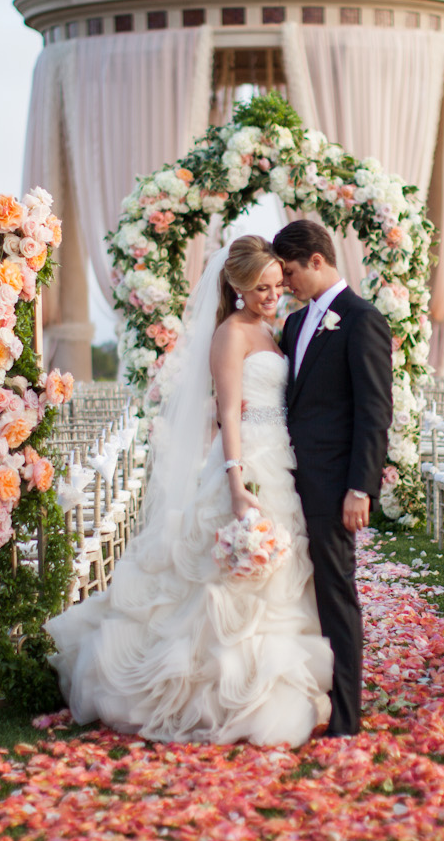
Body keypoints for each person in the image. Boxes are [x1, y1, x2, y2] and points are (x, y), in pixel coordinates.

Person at [45, 236, 332, 747]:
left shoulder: (273, 330)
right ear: (238, 289)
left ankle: (280, 679)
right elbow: (226, 414)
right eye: (261, 289)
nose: (273, 295)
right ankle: (222, 690)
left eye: (275, 286)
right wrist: (237, 485)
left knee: (280, 577)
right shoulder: (231, 334)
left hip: (281, 457)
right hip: (245, 464)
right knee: (226, 584)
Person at [273, 219, 393, 738]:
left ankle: (346, 715)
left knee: (335, 593)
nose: (286, 284)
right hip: (287, 480)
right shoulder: (295, 325)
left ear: (317, 260)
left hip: (333, 485)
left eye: (291, 272)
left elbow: (374, 411)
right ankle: (309, 699)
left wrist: (360, 487)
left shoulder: (362, 320)